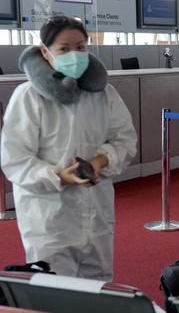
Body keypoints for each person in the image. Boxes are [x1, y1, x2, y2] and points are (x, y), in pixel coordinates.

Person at [1, 16, 138, 281]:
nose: (73, 54)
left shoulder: (104, 94)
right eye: (63, 49)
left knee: (98, 287)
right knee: (55, 290)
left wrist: (100, 161)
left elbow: (125, 140)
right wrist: (57, 176)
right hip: (49, 215)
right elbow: (15, 159)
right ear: (45, 51)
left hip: (96, 210)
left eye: (80, 47)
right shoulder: (28, 96)